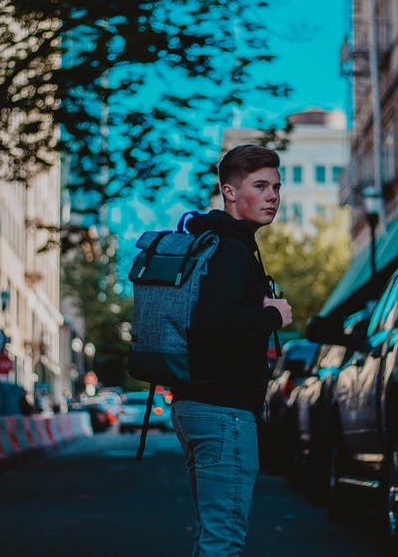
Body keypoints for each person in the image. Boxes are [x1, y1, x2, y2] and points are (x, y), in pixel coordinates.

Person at [169, 143, 294, 556]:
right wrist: (273, 316)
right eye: (260, 185)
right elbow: (212, 328)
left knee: (213, 534)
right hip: (224, 412)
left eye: (276, 186)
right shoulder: (229, 250)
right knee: (223, 540)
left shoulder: (215, 244)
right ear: (230, 191)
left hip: (199, 404)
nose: (273, 195)